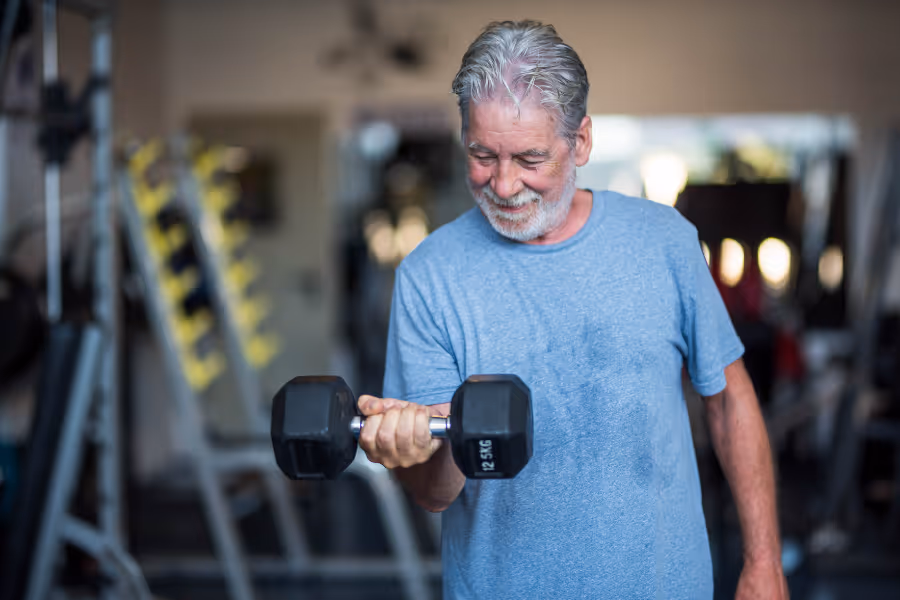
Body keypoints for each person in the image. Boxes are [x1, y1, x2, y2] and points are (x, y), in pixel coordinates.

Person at [356, 20, 789, 600]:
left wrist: (763, 562)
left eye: (530, 158)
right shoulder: (430, 277)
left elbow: (728, 396)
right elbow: (436, 492)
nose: (504, 184)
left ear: (581, 141)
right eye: (482, 154)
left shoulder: (662, 242)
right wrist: (412, 451)